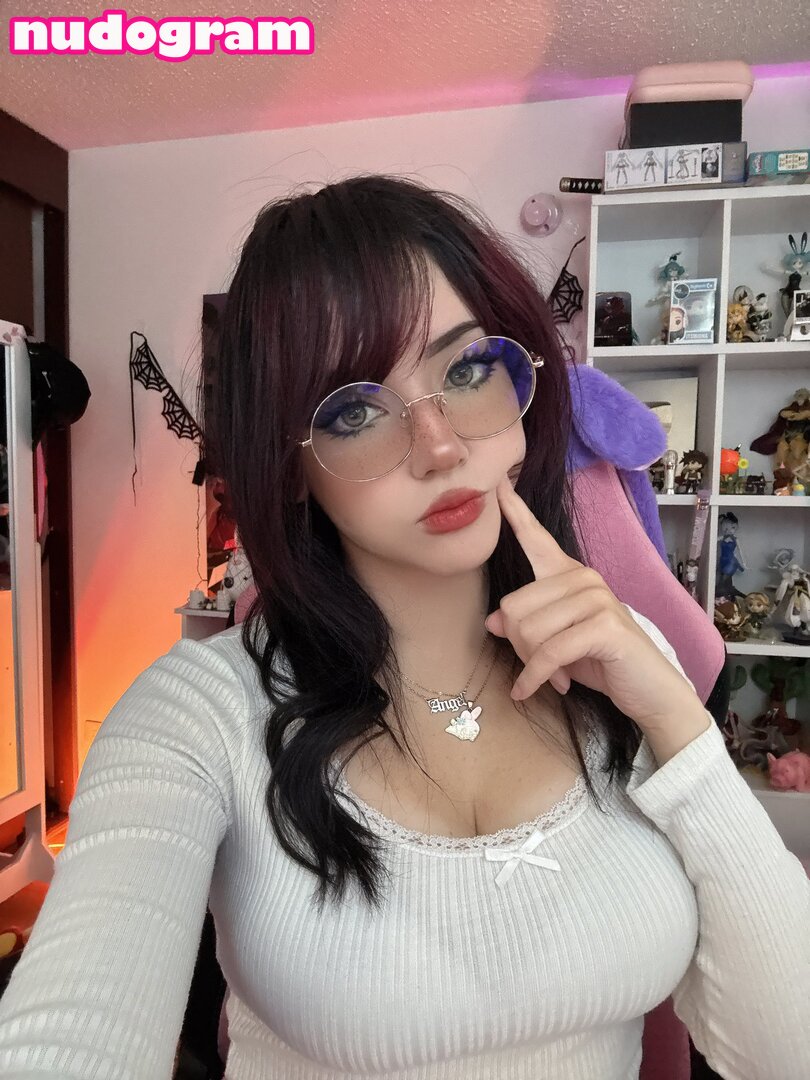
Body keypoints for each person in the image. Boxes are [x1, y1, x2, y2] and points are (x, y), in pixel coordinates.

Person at [0, 174, 808, 1079]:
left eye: (465, 371)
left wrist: (677, 720)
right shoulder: (198, 714)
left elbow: (787, 1049)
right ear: (291, 466)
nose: (441, 446)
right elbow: (74, 1028)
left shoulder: (628, 668)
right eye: (354, 412)